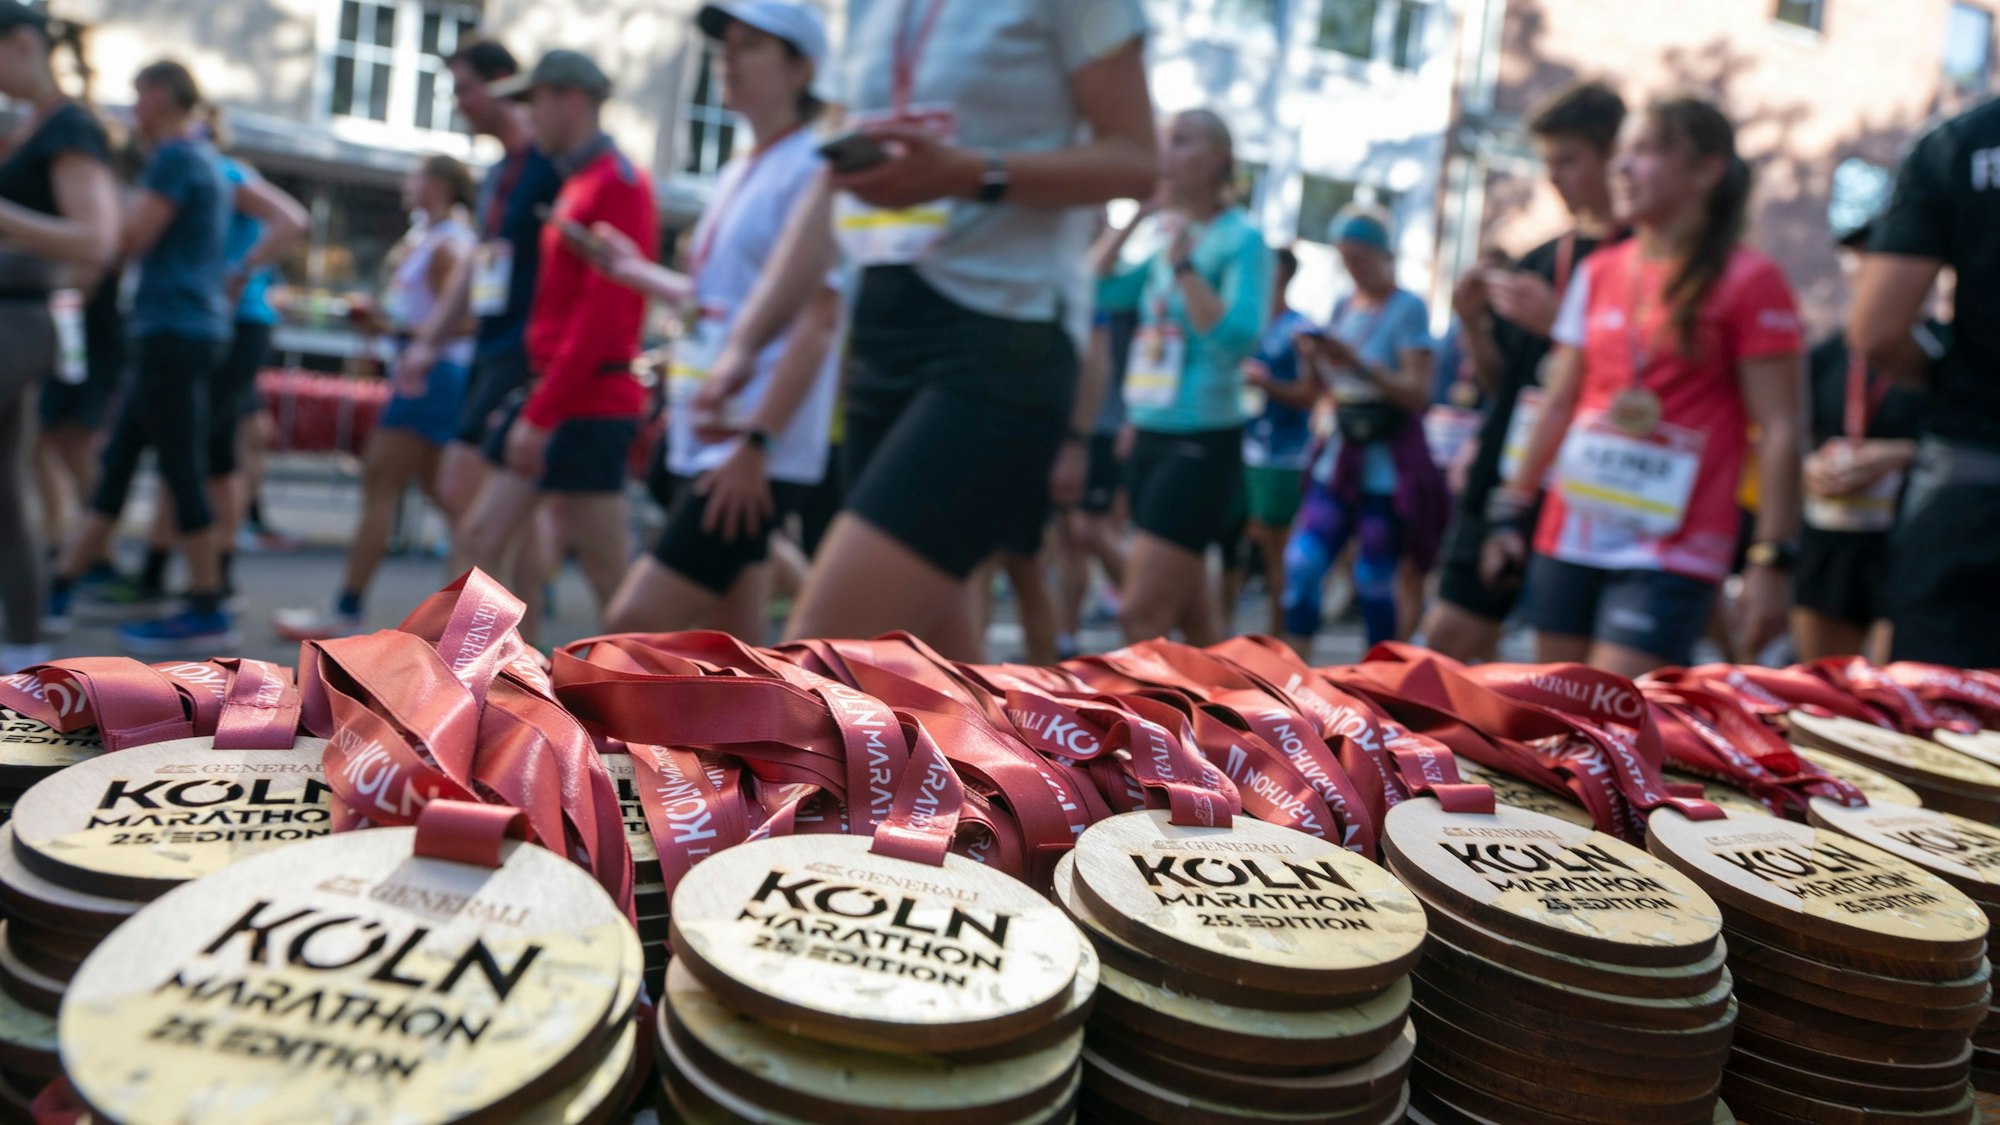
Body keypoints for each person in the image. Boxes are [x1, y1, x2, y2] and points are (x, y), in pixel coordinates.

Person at [693, 0, 1158, 659]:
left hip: (1002, 339)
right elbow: (831, 188)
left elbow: (1138, 160)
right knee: (924, 671)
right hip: (882, 336)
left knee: (821, 664)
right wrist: (745, 343)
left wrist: (969, 172)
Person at [1484, 96, 1803, 677]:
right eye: (1621, 152)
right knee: (1560, 712)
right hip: (1572, 531)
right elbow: (1559, 402)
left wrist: (1771, 559)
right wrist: (1510, 510)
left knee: (1611, 710)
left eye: (1647, 151)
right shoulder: (1599, 270)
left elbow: (1782, 427)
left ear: (1706, 170)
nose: (1622, 168)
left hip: (1675, 546)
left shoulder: (1751, 279)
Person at [584, 2, 842, 639]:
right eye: (725, 46)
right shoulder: (741, 169)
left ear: (802, 69)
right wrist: (635, 271)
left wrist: (758, 444)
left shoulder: (814, 168)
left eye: (751, 45)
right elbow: (720, 303)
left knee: (631, 628)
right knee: (731, 643)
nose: (727, 59)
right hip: (711, 439)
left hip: (749, 451)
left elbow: (819, 319)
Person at [452, 50, 655, 630]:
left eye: (533, 100)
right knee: (481, 537)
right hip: (563, 394)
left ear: (571, 99)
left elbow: (604, 314)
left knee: (611, 579)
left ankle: (645, 684)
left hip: (590, 401)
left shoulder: (615, 183)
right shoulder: (583, 180)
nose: (526, 114)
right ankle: (499, 677)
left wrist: (542, 413)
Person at [1424, 81, 1627, 662]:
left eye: (1569, 160)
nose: (1554, 177)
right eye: (1548, 161)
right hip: (1507, 475)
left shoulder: (1640, 261)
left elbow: (1640, 388)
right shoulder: (1541, 259)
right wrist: (1473, 325)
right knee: (1448, 641)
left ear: (1613, 156)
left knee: (1563, 668)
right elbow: (1502, 384)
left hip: (1588, 484)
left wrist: (1560, 323)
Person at [48, 60, 235, 654]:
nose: (132, 108)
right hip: (179, 329)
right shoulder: (201, 156)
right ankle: (60, 585)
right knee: (122, 459)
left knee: (179, 465)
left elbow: (128, 239)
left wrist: (93, 202)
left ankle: (207, 604)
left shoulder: (177, 158)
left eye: (138, 94)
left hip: (172, 330)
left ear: (162, 95)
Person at [272, 155, 477, 640]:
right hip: (426, 373)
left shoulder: (449, 244)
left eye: (416, 176)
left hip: (432, 376)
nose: (407, 183)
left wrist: (395, 331)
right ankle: (503, 596)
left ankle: (349, 608)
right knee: (450, 498)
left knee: (383, 483)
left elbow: (467, 322)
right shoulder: (431, 237)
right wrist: (385, 328)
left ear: (440, 185)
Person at [398, 39, 562, 593]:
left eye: (464, 88)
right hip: (493, 350)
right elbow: (478, 265)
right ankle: (514, 636)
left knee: (474, 505)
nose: (458, 102)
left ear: (502, 84)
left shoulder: (549, 165)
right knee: (501, 517)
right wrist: (428, 343)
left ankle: (480, 636)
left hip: (523, 354)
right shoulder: (497, 174)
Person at [123, 128, 306, 612]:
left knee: (192, 452)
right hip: (226, 325)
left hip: (229, 324)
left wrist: (240, 273)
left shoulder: (217, 170)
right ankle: (209, 579)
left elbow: (291, 219)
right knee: (213, 452)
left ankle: (186, 581)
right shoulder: (208, 169)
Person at [1103, 109, 1268, 645]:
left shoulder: (1242, 238)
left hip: (1200, 438)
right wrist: (1136, 215)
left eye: (1181, 141)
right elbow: (1098, 288)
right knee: (1199, 628)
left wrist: (1182, 265)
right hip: (1150, 431)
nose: (1165, 152)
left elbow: (1237, 337)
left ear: (1218, 158)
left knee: (1139, 615)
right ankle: (1226, 702)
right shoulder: (1171, 234)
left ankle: (1138, 708)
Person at [1850, 98, 2000, 668]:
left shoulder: (1957, 144)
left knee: (1942, 704)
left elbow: (1877, 330)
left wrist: (1949, 380)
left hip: (1970, 473)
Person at [0, 1, 116, 671]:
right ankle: (25, 651)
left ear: (21, 43)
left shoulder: (70, 124)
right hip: (24, 316)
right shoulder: (35, 126)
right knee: (8, 496)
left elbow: (97, 237)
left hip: (21, 318)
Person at [1282, 208, 1445, 655]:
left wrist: (1357, 363)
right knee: (1303, 565)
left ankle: (1378, 678)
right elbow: (1319, 392)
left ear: (1381, 255)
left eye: (1360, 257)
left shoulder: (1407, 308)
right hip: (1339, 461)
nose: (1352, 267)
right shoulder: (1342, 305)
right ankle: (1293, 678)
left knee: (1374, 577)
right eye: (1345, 257)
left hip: (1385, 469)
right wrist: (1313, 357)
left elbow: (1418, 393)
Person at [1792, 223, 1928, 662]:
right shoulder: (1825, 357)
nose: (1871, 267)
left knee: (1900, 686)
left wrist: (1899, 455)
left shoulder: (1947, 355)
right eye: (1859, 255)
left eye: (1882, 254)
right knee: (1823, 686)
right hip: (1832, 538)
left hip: (1908, 545)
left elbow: (1967, 447)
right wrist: (1809, 467)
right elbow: (1789, 437)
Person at [1236, 244, 1314, 637]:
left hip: (1282, 455)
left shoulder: (1299, 330)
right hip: (1240, 446)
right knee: (1237, 540)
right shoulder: (1246, 322)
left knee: (1275, 548)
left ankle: (1277, 636)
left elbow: (1310, 394)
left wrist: (1266, 383)